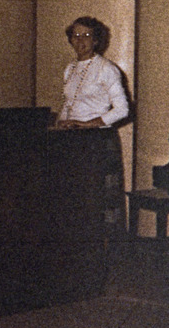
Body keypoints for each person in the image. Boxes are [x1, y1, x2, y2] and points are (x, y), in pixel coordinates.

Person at [55, 16, 130, 238]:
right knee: (73, 198)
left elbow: (122, 110)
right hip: (71, 139)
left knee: (96, 200)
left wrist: (87, 124)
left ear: (96, 40)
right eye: (76, 36)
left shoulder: (106, 69)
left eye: (87, 36)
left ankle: (103, 250)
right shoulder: (70, 69)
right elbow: (69, 104)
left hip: (97, 141)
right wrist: (60, 124)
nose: (81, 41)